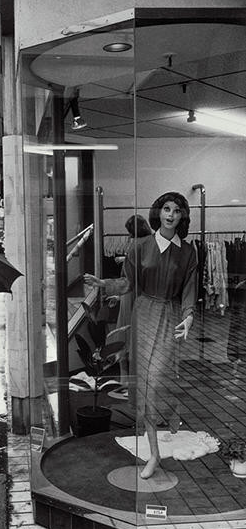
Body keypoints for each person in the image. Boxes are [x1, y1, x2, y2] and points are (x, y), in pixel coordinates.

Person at [85, 193, 197, 479]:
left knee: (157, 381)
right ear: (158, 213)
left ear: (183, 216)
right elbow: (127, 283)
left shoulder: (188, 251)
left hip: (170, 316)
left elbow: (188, 289)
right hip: (143, 313)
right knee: (145, 386)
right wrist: (104, 284)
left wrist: (189, 316)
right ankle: (154, 453)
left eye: (177, 210)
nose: (171, 215)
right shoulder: (140, 247)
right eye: (166, 209)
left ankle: (163, 432)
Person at [85, 214, 152, 391]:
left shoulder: (135, 246)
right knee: (139, 342)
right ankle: (136, 383)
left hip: (132, 298)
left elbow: (128, 280)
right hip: (144, 299)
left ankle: (127, 382)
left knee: (126, 340)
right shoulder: (153, 244)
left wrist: (102, 283)